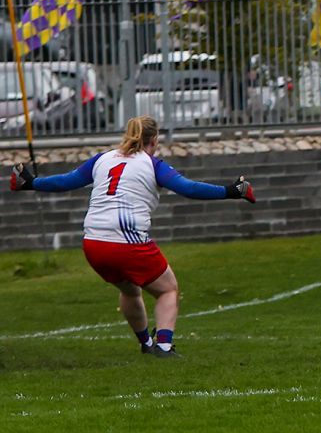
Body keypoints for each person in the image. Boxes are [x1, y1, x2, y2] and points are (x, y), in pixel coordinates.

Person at [7, 115, 256, 356]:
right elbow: (188, 188)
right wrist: (232, 191)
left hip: (93, 242)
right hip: (126, 242)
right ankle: (164, 347)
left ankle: (146, 342)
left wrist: (30, 183)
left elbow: (65, 181)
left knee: (129, 291)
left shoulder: (102, 159)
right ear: (154, 139)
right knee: (168, 290)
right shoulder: (152, 164)